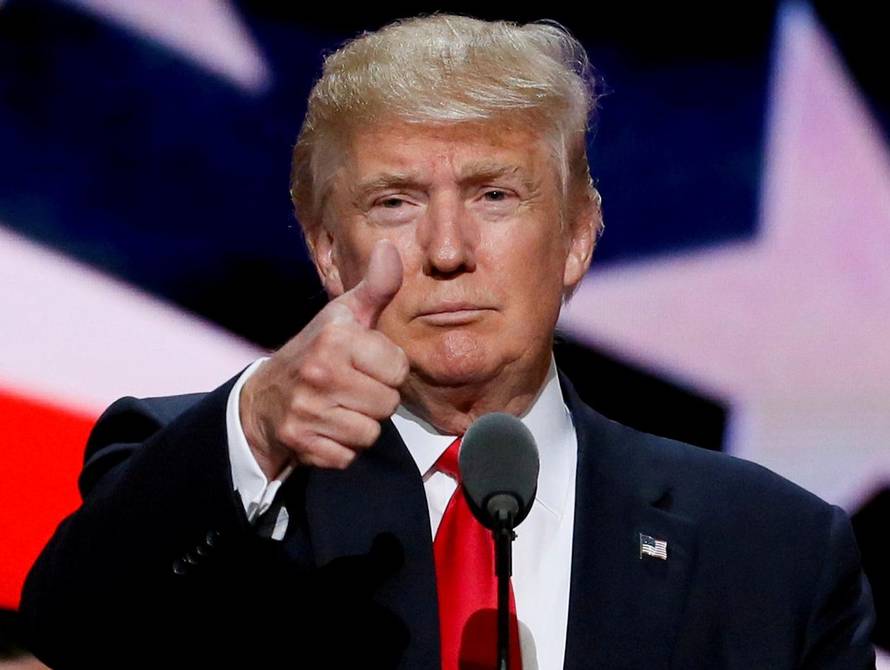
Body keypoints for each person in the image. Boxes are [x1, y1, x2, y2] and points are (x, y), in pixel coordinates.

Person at [20, 14, 875, 670]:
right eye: (394, 201)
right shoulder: (209, 471)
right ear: (326, 249)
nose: (447, 249)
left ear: (578, 235)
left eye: (495, 195)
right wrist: (260, 425)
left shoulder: (776, 549)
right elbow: (76, 630)